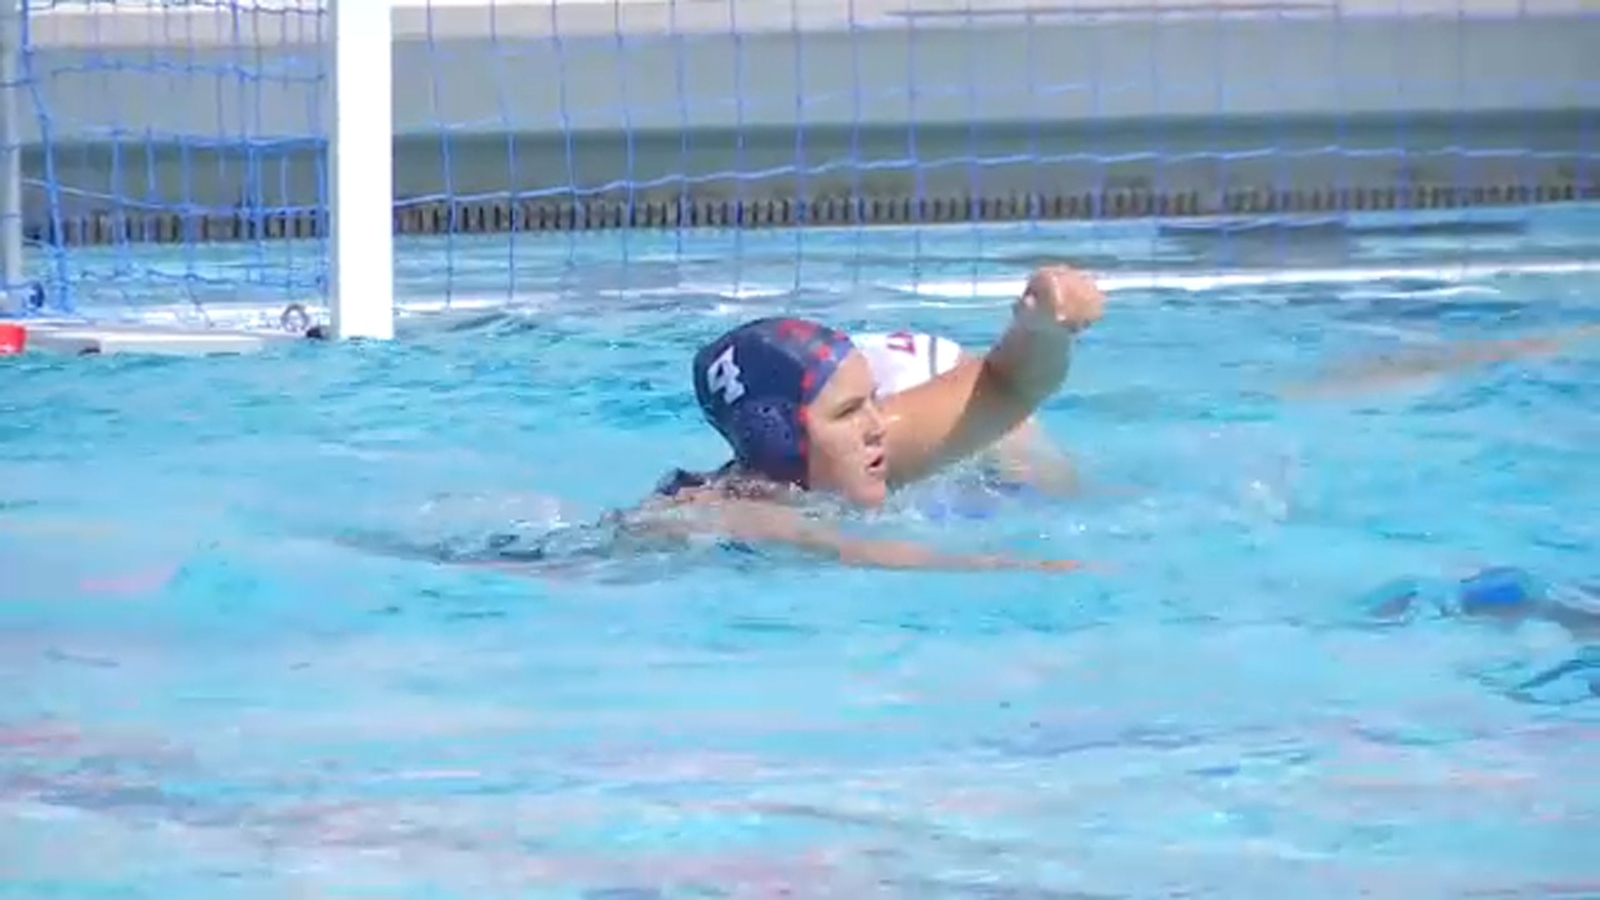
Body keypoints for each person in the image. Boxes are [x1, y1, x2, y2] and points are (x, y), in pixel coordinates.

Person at [634, 264, 1103, 570]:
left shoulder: (854, 454)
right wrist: (1020, 568)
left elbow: (1006, 387)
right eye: (848, 412)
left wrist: (1042, 328)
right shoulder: (730, 515)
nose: (878, 424)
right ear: (782, 436)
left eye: (873, 400)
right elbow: (864, 553)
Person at [851, 329, 1079, 494]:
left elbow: (1013, 383)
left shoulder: (914, 377)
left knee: (1049, 484)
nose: (876, 425)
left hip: (931, 370)